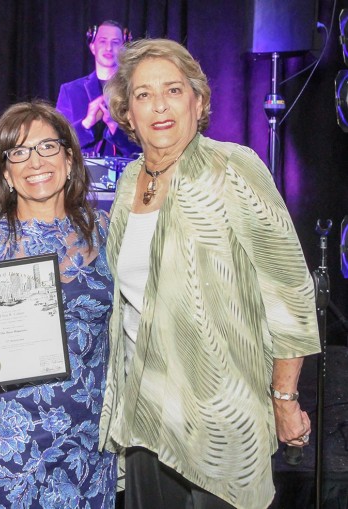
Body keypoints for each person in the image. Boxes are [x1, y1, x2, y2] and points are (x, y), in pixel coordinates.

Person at [98, 38, 321, 509]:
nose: (159, 105)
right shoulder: (125, 186)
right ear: (127, 113)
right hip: (144, 416)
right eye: (143, 95)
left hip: (220, 419)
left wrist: (285, 398)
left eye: (174, 90)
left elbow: (289, 287)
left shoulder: (231, 167)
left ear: (197, 102)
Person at [0, 101, 117, 508]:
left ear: (70, 158)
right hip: (7, 445)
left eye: (46, 147)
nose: (34, 161)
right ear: (6, 172)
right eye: (18, 152)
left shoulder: (109, 232)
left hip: (89, 441)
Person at [56, 20, 140, 158]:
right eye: (102, 41)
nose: (108, 48)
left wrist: (114, 127)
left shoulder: (135, 90)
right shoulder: (70, 90)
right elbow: (58, 142)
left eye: (115, 42)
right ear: (92, 47)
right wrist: (86, 124)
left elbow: (145, 148)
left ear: (124, 48)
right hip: (83, 176)